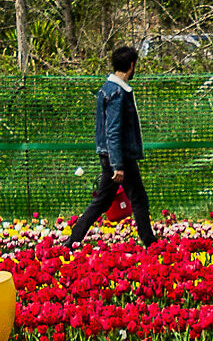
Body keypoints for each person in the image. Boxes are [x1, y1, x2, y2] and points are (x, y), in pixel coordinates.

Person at [65, 44, 152, 247]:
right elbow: (113, 130)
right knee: (138, 198)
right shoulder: (118, 93)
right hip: (120, 156)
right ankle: (150, 242)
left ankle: (72, 240)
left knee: (103, 200)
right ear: (131, 65)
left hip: (110, 154)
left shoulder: (106, 89)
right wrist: (117, 165)